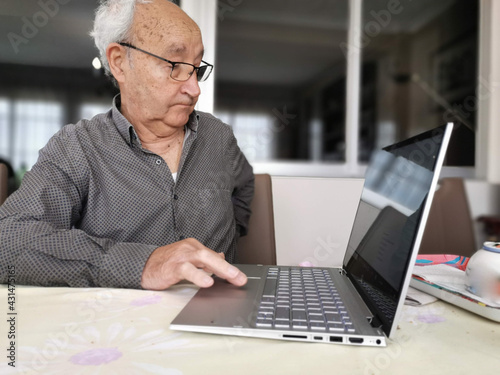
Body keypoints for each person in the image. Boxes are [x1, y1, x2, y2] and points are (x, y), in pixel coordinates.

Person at [0, 0, 252, 290]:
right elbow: (8, 240)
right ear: (120, 62)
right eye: (175, 65)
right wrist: (144, 264)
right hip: (118, 324)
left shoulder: (219, 136)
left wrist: (230, 239)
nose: (194, 88)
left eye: (196, 68)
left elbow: (244, 188)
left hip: (216, 311)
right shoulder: (77, 147)